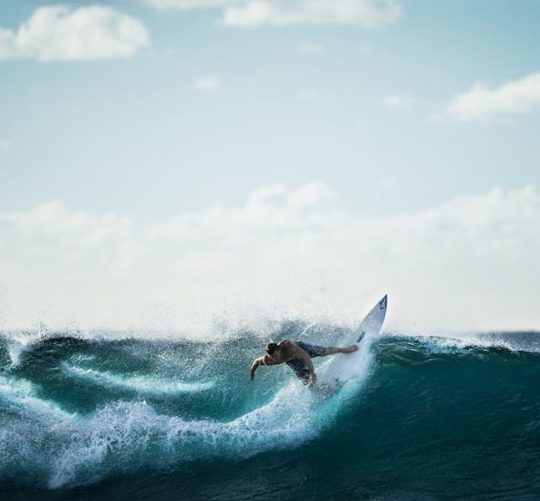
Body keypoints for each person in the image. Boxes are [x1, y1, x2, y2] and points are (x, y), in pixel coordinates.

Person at [250, 340, 358, 385]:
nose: (274, 358)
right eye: (271, 356)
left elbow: (306, 357)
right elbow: (256, 362)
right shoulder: (268, 360)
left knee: (324, 351)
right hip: (292, 361)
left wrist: (312, 373)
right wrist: (252, 372)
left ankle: (345, 349)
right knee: (305, 380)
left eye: (275, 355)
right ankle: (321, 388)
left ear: (279, 350)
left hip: (302, 350)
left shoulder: (288, 346)